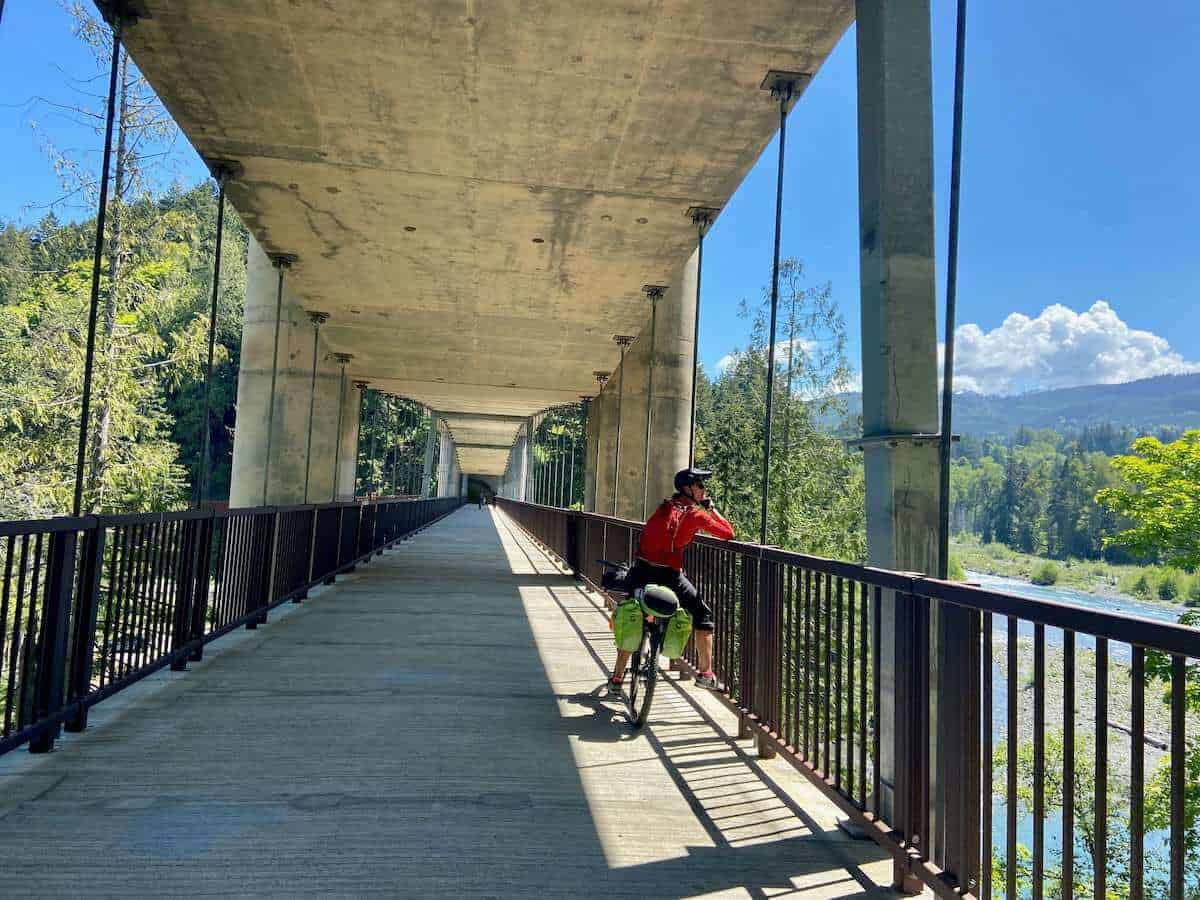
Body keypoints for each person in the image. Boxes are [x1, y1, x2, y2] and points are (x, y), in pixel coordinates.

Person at [607, 466, 734, 695]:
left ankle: (616, 678)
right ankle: (705, 674)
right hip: (669, 575)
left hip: (642, 571)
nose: (704, 490)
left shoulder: (665, 506)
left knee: (632, 616)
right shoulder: (695, 514)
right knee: (702, 614)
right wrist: (711, 509)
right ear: (688, 488)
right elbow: (728, 533)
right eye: (700, 486)